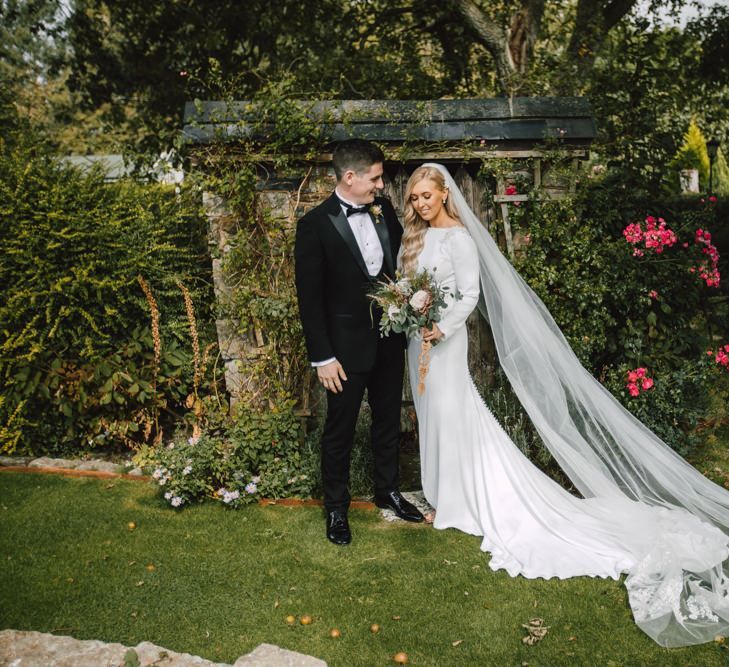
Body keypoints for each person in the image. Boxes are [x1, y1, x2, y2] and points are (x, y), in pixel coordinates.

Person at [399, 163, 729, 647]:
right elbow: (410, 290)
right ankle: (442, 489)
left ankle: (462, 498)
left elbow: (469, 296)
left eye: (427, 196)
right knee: (430, 415)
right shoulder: (415, 239)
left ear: (445, 194)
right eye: (415, 199)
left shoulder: (462, 240)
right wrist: (408, 313)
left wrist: (441, 328)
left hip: (444, 343)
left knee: (452, 413)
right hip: (417, 341)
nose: (421, 205)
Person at [294, 139, 424, 546]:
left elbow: (399, 265)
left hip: (389, 340)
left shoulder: (383, 211)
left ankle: (387, 492)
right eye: (377, 177)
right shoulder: (314, 225)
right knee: (340, 429)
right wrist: (323, 357)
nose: (382, 185)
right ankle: (336, 508)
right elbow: (309, 298)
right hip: (343, 352)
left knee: (388, 421)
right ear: (350, 177)